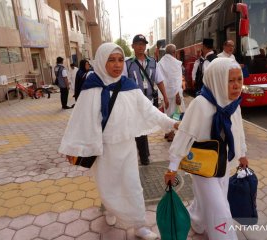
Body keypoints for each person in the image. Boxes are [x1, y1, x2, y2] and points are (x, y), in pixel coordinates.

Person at [59, 43, 179, 240]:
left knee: (132, 185)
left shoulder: (129, 86)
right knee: (108, 186)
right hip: (103, 149)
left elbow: (149, 111)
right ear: (101, 61)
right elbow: (80, 120)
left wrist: (171, 124)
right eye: (111, 60)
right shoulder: (91, 88)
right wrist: (73, 146)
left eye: (120, 60)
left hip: (126, 146)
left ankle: (139, 225)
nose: (117, 65)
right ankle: (110, 209)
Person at [164, 58, 249, 239]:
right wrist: (172, 167)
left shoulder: (234, 104)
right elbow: (184, 135)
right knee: (220, 208)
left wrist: (242, 154)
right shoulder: (201, 104)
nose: (236, 86)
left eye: (239, 80)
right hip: (202, 167)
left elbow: (238, 130)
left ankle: (197, 221)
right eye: (230, 80)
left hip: (223, 164)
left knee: (212, 201)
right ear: (217, 79)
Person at [123, 34, 170, 165]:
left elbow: (159, 80)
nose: (140, 46)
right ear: (132, 46)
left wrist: (165, 97)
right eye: (138, 44)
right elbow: (122, 83)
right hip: (134, 102)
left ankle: (145, 153)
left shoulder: (153, 62)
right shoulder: (127, 64)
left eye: (143, 44)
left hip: (149, 101)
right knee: (139, 127)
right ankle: (144, 157)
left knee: (145, 126)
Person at [157, 44, 184, 142]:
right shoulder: (176, 63)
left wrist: (163, 96)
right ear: (174, 52)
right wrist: (177, 95)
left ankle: (168, 132)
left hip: (165, 94)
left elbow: (159, 79)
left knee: (166, 113)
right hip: (175, 94)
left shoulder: (160, 62)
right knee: (175, 114)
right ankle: (172, 133)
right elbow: (175, 81)